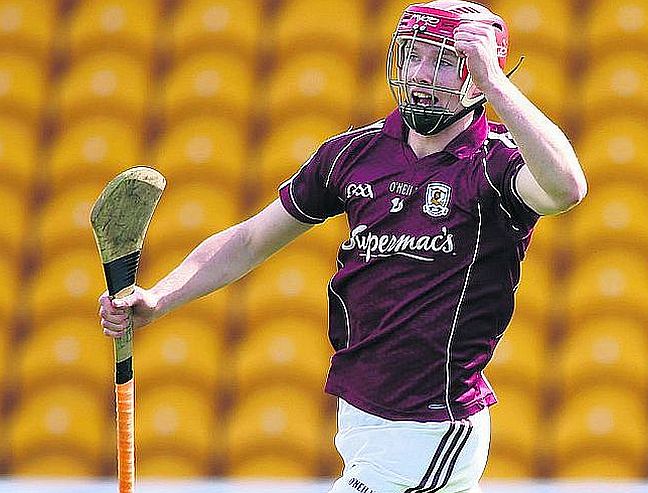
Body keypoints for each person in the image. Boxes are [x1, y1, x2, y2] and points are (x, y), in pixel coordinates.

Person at [98, 1, 587, 491]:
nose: (421, 74)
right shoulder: (356, 154)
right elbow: (250, 239)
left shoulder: (496, 165)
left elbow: (567, 188)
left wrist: (496, 84)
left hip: (432, 423)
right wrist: (160, 298)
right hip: (359, 413)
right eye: (414, 56)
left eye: (442, 61)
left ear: (476, 77)